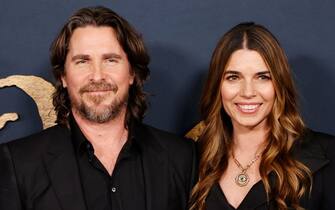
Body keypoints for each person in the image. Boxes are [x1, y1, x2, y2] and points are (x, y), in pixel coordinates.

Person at [0, 6, 197, 210]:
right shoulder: (18, 162)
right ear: (63, 77)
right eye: (82, 61)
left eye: (110, 60)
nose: (97, 75)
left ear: (132, 73)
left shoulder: (182, 157)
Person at [189, 22, 335, 210]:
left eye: (263, 77)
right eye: (233, 77)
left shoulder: (328, 155)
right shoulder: (190, 160)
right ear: (218, 86)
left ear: (279, 86)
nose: (248, 92)